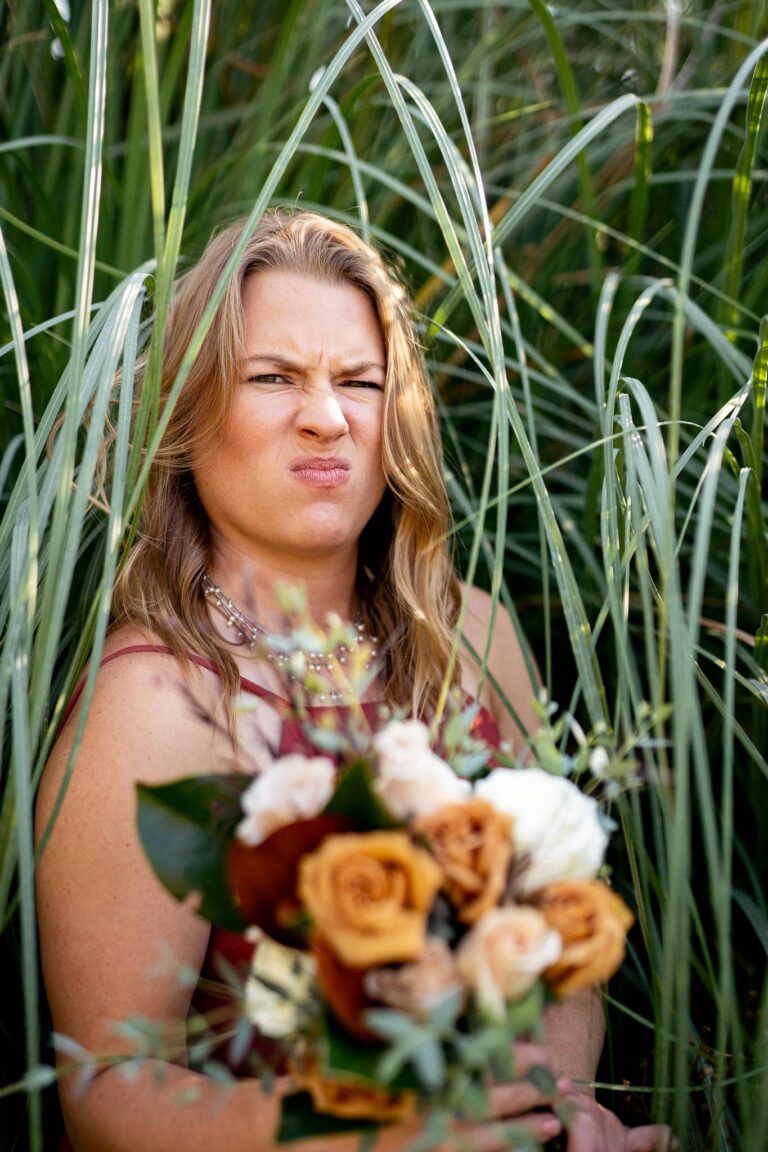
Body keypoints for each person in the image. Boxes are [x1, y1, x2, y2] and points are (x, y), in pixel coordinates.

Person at [36, 209, 671, 1151]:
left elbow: (560, 937)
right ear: (187, 415)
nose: (327, 417)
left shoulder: (476, 636)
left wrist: (559, 1107)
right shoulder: (153, 706)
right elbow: (108, 1092)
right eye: (273, 377)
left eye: (360, 382)